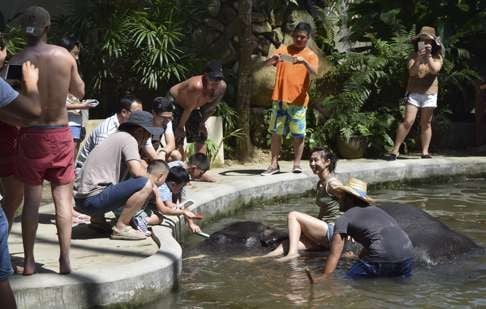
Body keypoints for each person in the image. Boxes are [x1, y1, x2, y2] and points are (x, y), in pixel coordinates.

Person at [9, 6, 85, 275]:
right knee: (63, 198)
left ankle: (28, 262)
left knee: (31, 199)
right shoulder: (64, 55)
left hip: (31, 135)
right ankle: (65, 260)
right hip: (61, 133)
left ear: (24, 30)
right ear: (47, 28)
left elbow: (9, 99)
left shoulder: (17, 60)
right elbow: (79, 90)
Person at [74, 111, 164, 240]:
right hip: (92, 201)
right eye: (147, 134)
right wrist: (153, 186)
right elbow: (137, 173)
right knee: (145, 183)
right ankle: (121, 227)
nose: (147, 139)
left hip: (82, 201)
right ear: (139, 131)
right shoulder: (129, 139)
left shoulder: (116, 137)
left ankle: (97, 221)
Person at [241, 148, 342, 262]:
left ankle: (292, 254)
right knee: (289, 243)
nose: (312, 163)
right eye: (310, 160)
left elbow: (353, 204)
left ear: (327, 162)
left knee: (293, 215)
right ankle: (259, 258)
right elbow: (325, 211)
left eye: (316, 160)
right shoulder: (320, 183)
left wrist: (349, 232)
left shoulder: (333, 183)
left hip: (333, 232)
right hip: (323, 232)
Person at [0, 47, 41, 309]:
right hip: (7, 145)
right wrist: (32, 86)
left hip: (11, 144)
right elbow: (32, 112)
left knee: (14, 199)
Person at [316, 177, 413, 279]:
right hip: (407, 254)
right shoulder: (378, 211)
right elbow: (376, 238)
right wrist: (359, 258)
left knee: (346, 281)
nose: (339, 199)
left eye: (342, 196)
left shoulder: (344, 218)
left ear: (349, 199)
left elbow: (334, 255)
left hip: (381, 256)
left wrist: (324, 277)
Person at [261, 22, 318, 176]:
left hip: (298, 101)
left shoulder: (311, 55)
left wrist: (304, 62)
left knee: (298, 134)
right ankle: (274, 164)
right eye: (297, 36)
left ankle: (297, 164)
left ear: (308, 38)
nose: (299, 39)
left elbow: (314, 73)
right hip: (279, 99)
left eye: (303, 37)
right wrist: (272, 59)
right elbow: (265, 64)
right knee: (275, 132)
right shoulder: (283, 49)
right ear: (292, 36)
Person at [385, 26, 443, 160]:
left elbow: (435, 70)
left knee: (426, 123)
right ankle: (395, 150)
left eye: (428, 41)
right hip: (414, 92)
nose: (425, 43)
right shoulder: (413, 55)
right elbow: (411, 72)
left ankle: (425, 151)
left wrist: (428, 56)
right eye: (422, 40)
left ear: (433, 43)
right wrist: (418, 58)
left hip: (430, 93)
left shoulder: (437, 56)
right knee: (408, 121)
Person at [169, 60, 227, 155]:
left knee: (201, 135)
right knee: (178, 136)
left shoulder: (222, 87)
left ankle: (200, 166)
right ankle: (177, 164)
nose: (216, 82)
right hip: (175, 102)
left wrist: (201, 124)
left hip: (192, 107)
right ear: (206, 76)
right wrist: (180, 127)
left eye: (219, 78)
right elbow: (188, 109)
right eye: (213, 78)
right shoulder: (197, 86)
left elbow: (210, 108)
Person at [75, 95, 143, 173]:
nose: (141, 118)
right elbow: (100, 160)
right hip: (88, 172)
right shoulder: (107, 131)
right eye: (137, 114)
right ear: (124, 112)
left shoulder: (132, 127)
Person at [131, 165, 201, 235]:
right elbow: (164, 210)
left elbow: (173, 206)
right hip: (136, 210)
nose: (181, 190)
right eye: (181, 187)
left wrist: (190, 221)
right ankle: (140, 221)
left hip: (138, 207)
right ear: (174, 184)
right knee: (159, 218)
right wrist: (183, 212)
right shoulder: (164, 189)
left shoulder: (165, 186)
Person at [59, 35, 94, 155]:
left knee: (71, 163)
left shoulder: (75, 71)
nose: (77, 57)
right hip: (63, 124)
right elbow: (54, 104)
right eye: (74, 53)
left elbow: (79, 94)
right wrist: (82, 106)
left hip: (76, 122)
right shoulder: (53, 73)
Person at [143, 96, 181, 162]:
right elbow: (147, 148)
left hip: (155, 153)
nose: (167, 120)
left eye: (169, 117)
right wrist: (159, 162)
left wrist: (163, 152)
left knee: (176, 155)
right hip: (141, 157)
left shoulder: (167, 121)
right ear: (154, 113)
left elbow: (171, 144)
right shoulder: (145, 123)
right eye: (163, 117)